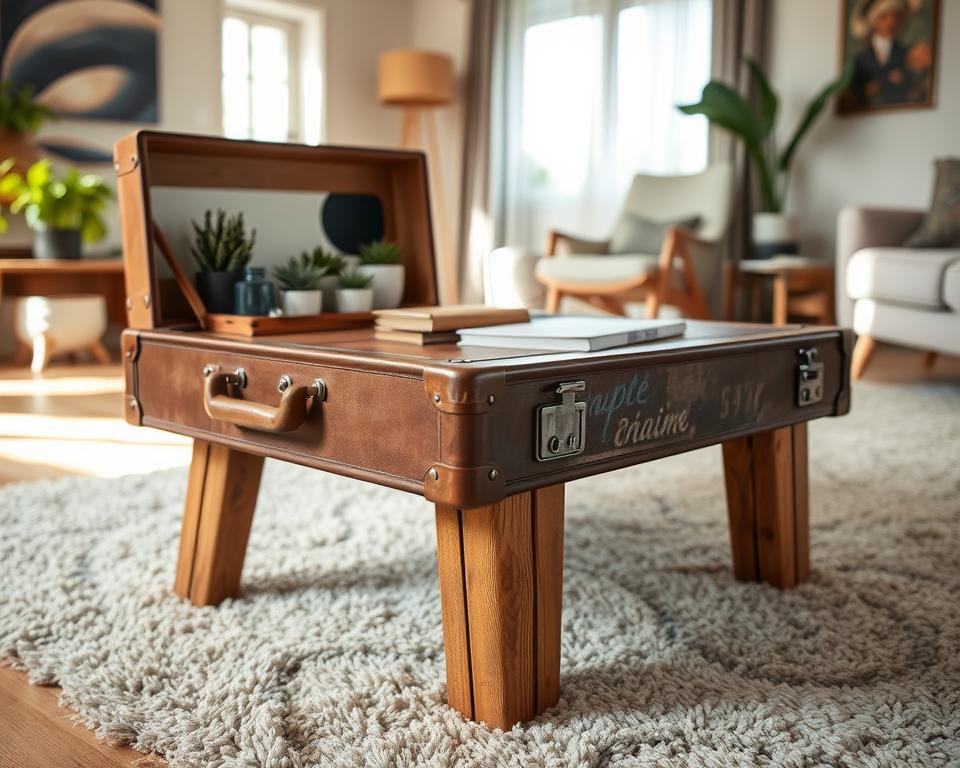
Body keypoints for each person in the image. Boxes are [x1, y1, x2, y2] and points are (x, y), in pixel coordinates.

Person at [843, 0, 932, 110]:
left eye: (895, 17)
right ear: (873, 21)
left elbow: (916, 87)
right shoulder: (860, 59)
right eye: (883, 17)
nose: (890, 23)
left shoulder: (906, 54)